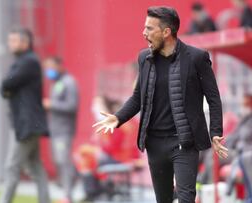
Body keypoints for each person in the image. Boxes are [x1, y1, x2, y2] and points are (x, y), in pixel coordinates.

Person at [93, 6, 228, 203]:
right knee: (163, 200)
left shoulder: (197, 58)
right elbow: (139, 97)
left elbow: (214, 99)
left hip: (184, 143)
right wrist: (119, 117)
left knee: (186, 198)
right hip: (155, 144)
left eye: (149, 28)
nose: (143, 33)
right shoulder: (144, 59)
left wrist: (215, 132)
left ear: (166, 32)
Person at [0, 28, 51, 203]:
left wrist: (6, 88)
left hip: (27, 124)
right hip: (28, 123)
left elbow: (7, 83)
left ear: (25, 43)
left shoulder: (29, 61)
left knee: (12, 166)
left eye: (14, 40)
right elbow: (7, 86)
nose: (10, 44)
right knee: (35, 167)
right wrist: (6, 88)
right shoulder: (24, 61)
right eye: (10, 40)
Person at [43, 56, 78, 203]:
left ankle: (67, 196)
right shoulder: (55, 83)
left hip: (65, 130)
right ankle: (75, 176)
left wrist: (51, 104)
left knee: (63, 161)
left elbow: (72, 106)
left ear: (60, 66)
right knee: (58, 160)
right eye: (46, 68)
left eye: (51, 67)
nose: (48, 71)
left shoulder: (69, 82)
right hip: (55, 130)